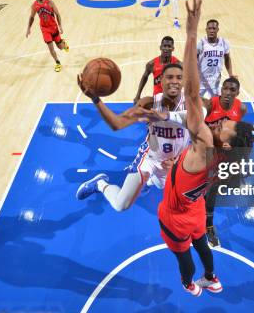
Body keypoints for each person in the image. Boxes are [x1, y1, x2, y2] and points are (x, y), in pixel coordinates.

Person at [157, 0, 254, 296]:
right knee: (201, 243)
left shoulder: (203, 143)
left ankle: (189, 284)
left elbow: (191, 90)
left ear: (224, 143)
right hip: (196, 206)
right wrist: (177, 170)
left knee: (182, 254)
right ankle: (211, 277)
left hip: (176, 212)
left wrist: (190, 33)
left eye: (227, 126)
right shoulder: (221, 158)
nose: (224, 121)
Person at [76, 63, 189, 211]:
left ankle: (147, 182)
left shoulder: (192, 104)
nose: (174, 81)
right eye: (169, 77)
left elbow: (201, 136)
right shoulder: (149, 103)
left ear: (184, 81)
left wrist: (181, 160)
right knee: (120, 205)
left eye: (179, 77)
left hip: (175, 161)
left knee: (166, 189)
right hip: (150, 158)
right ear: (161, 80)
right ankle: (100, 183)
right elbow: (117, 123)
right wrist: (96, 99)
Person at [202, 77, 247, 247]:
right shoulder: (210, 105)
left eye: (232, 90)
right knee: (209, 186)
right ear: (221, 89)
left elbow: (236, 131)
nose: (228, 93)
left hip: (223, 151)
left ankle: (207, 220)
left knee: (214, 187)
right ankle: (209, 226)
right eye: (225, 89)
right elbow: (197, 127)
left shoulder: (241, 108)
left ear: (237, 92)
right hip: (205, 147)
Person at [26, 0, 69, 72]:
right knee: (50, 47)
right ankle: (57, 63)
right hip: (45, 29)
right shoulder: (34, 6)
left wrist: (60, 26)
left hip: (54, 28)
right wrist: (28, 28)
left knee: (60, 47)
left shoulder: (50, 2)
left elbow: (57, 14)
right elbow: (32, 17)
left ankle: (63, 43)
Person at [133, 36, 180, 103]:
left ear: (173, 48)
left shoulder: (178, 64)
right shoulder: (151, 64)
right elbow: (144, 77)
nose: (166, 49)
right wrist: (138, 95)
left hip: (173, 99)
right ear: (160, 47)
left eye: (169, 46)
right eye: (164, 46)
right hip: (157, 99)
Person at [197, 19, 235, 97]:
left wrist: (230, 74)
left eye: (214, 28)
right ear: (206, 30)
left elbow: (227, 59)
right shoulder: (201, 43)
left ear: (217, 29)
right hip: (201, 79)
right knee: (196, 102)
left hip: (215, 79)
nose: (211, 31)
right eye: (209, 28)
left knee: (214, 102)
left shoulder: (224, 43)